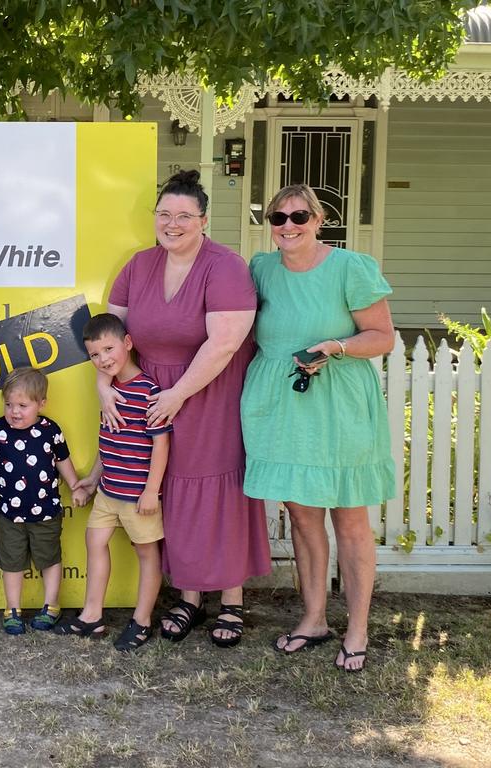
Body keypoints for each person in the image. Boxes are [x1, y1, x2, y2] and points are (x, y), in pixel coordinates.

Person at [101, 169, 271, 648]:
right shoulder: (138, 265)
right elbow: (107, 337)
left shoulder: (226, 267)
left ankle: (232, 598)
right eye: (164, 215)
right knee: (169, 488)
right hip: (150, 395)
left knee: (214, 487)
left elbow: (224, 343)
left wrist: (179, 395)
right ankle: (190, 596)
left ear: (203, 220)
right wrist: (102, 387)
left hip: (208, 391)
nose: (172, 224)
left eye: (183, 216)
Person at [241, 183, 395, 673]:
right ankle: (313, 619)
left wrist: (334, 347)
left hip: (340, 406)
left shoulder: (351, 267)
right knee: (303, 517)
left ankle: (357, 628)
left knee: (349, 519)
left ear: (319, 219)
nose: (288, 226)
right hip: (280, 407)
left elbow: (382, 337)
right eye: (278, 218)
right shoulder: (261, 270)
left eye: (299, 216)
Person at [55, 313, 170, 652]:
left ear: (128, 344)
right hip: (109, 491)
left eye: (109, 349)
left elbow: (161, 444)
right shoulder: (109, 391)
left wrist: (151, 491)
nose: (103, 359)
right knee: (94, 542)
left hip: (138, 495)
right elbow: (108, 441)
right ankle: (92, 615)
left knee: (147, 554)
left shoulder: (148, 390)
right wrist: (91, 481)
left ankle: (142, 620)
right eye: (94, 354)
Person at [0, 367, 86, 636]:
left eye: (23, 405)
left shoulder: (50, 430)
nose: (14, 411)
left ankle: (51, 605)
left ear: (41, 404)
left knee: (49, 558)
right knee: (11, 561)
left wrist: (75, 486)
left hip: (47, 512)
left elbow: (62, 460)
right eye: (9, 404)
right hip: (9, 514)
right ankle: (12, 609)